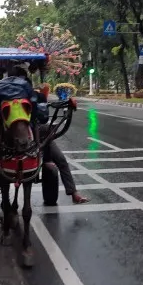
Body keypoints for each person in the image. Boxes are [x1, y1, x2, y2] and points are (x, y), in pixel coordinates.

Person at [7, 66, 88, 203]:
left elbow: (43, 117)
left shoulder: (31, 96)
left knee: (60, 159)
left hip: (36, 135)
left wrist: (41, 99)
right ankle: (74, 193)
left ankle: (73, 192)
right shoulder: (6, 97)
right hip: (14, 137)